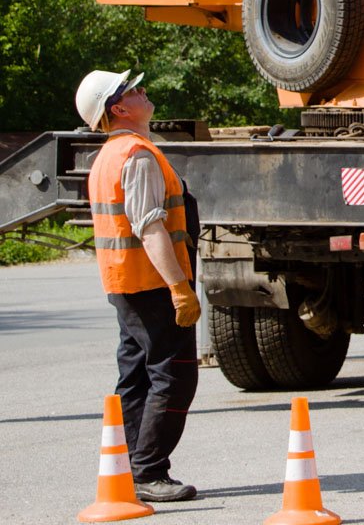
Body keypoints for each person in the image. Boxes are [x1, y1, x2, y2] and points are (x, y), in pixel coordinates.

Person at [74, 69, 201, 503]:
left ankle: (128, 467)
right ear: (118, 108)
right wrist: (180, 288)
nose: (143, 91)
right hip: (152, 283)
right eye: (133, 89)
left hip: (125, 282)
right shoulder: (137, 155)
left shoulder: (109, 154)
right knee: (173, 376)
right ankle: (148, 471)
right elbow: (150, 228)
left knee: (135, 376)